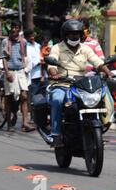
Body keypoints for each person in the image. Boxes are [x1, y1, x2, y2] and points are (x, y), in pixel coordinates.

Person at [47, 19, 114, 147]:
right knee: (57, 100)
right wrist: (53, 73)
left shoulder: (85, 48)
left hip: (81, 84)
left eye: (77, 34)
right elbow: (52, 63)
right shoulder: (57, 48)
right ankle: (56, 134)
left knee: (98, 98)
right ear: (65, 35)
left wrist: (108, 72)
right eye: (71, 34)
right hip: (62, 83)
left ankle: (99, 128)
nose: (74, 36)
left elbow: (97, 62)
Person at [0, 20, 34, 132]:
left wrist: (25, 68)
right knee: (9, 97)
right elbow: (3, 58)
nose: (14, 29)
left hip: (20, 71)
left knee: (24, 96)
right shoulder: (5, 41)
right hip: (10, 70)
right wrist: (7, 72)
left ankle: (24, 123)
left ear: (19, 29)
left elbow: (24, 56)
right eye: (13, 27)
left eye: (16, 27)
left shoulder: (23, 41)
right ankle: (9, 123)